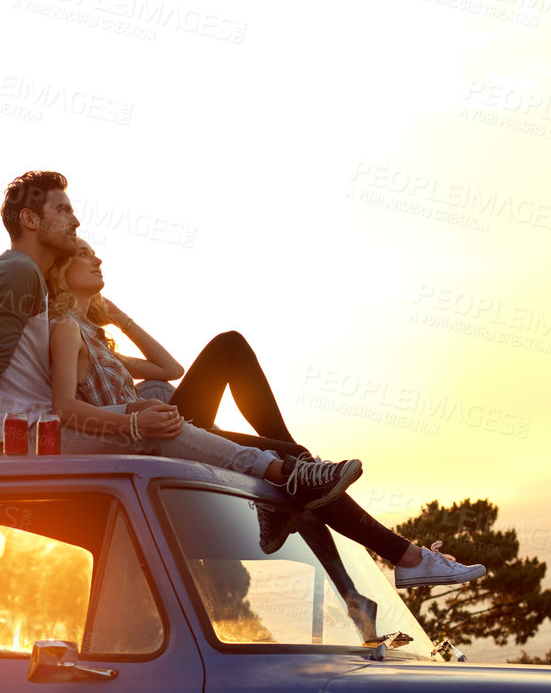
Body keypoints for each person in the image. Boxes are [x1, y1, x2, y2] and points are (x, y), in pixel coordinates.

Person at [47, 238, 486, 589]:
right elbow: (65, 406)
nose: (98, 258)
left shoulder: (97, 337)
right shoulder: (65, 328)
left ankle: (367, 578)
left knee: (292, 457)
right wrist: (134, 423)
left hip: (166, 425)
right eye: (84, 254)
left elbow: (169, 369)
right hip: (148, 436)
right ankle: (399, 560)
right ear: (62, 271)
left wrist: (118, 316)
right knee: (231, 349)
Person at [0, 171, 361, 514]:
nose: (75, 221)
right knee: (156, 427)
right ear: (30, 220)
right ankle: (287, 473)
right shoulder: (16, 271)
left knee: (155, 401)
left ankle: (286, 472)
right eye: (63, 210)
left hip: (45, 432)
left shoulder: (35, 284)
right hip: (27, 441)